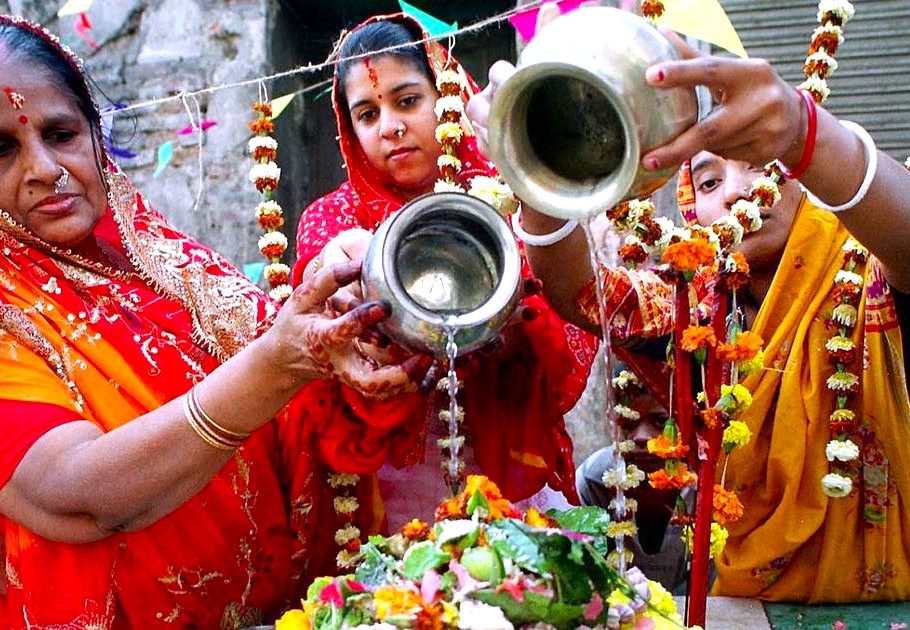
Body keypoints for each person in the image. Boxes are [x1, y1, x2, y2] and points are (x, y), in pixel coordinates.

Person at [0, 12, 432, 629]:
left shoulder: (165, 264)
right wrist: (280, 362)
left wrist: (352, 331)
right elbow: (72, 497)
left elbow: (298, 394)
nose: (46, 168)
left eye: (62, 134)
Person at [467, 2, 910, 603]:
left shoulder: (870, 271)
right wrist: (536, 158)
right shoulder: (692, 306)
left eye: (760, 160)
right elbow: (580, 293)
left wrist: (809, 132)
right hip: (744, 606)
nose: (732, 192)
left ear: (805, 171)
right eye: (706, 180)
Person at [292, 13, 596, 530]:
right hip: (389, 483)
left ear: (447, 97)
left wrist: (518, 329)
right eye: (367, 114)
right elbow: (323, 356)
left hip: (505, 466)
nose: (389, 127)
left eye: (407, 101)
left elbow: (569, 325)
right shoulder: (331, 220)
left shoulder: (515, 198)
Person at [575, 366, 689, 594]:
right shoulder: (593, 480)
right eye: (627, 422)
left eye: (660, 421)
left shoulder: (707, 485)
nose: (641, 436)